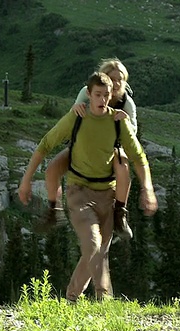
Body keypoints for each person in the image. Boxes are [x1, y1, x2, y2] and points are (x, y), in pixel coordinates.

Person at [18, 72, 157, 302]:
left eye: (106, 95)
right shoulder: (77, 117)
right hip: (78, 191)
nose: (101, 100)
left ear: (111, 96)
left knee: (100, 249)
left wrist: (148, 188)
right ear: (88, 95)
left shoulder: (118, 122)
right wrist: (26, 180)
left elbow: (139, 157)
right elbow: (46, 143)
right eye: (97, 95)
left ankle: (72, 298)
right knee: (93, 243)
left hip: (108, 195)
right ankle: (105, 300)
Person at [35, 58, 137, 242]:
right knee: (51, 170)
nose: (116, 83)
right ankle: (54, 210)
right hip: (82, 146)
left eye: (120, 79)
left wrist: (126, 122)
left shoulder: (126, 104)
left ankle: (120, 213)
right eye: (112, 78)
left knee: (123, 169)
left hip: (111, 150)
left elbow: (133, 134)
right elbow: (74, 116)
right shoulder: (86, 92)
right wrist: (76, 108)